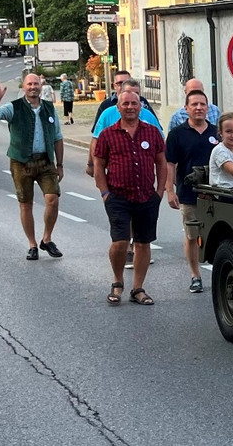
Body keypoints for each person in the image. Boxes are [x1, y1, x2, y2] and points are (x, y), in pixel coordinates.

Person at [93, 89, 167, 306]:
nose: (130, 107)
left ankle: (138, 288)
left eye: (134, 103)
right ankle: (117, 282)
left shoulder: (152, 132)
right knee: (120, 241)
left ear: (140, 106)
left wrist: (160, 191)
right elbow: (98, 164)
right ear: (118, 107)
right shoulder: (108, 134)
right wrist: (105, 193)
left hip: (146, 196)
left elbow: (161, 162)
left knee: (143, 243)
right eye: (125, 104)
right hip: (118, 196)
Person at [0, 74, 65, 261]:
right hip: (21, 161)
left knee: (52, 198)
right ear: (24, 86)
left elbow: (57, 137)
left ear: (41, 85)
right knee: (25, 204)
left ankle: (47, 238)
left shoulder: (49, 108)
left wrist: (60, 164)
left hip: (45, 161)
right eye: (29, 84)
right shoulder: (14, 107)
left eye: (36, 84)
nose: (33, 87)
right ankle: (32, 244)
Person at [165, 90, 218, 293]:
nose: (199, 108)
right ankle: (195, 275)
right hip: (189, 194)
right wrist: (169, 190)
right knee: (192, 235)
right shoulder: (177, 134)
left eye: (202, 104)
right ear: (186, 108)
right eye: (194, 104)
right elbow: (169, 163)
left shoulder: (217, 132)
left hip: (215, 195)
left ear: (208, 108)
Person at [90, 70, 157, 134]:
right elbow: (97, 134)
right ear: (114, 86)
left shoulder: (143, 102)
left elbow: (157, 129)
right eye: (120, 83)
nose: (123, 86)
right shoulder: (106, 105)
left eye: (126, 82)